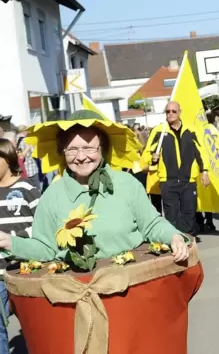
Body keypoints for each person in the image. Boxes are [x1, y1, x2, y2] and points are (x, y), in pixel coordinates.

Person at [0, 110, 189, 263]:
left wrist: (174, 236)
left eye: (89, 148)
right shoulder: (52, 196)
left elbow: (151, 224)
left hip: (132, 288)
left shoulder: (126, 183)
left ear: (103, 150)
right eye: (72, 149)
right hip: (78, 294)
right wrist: (11, 243)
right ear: (62, 152)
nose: (81, 156)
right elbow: (46, 248)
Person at [0, 138, 40, 354]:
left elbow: (42, 226)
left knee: (37, 326)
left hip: (27, 271)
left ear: (7, 158)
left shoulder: (27, 187)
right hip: (0, 273)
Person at [146, 102, 210, 235]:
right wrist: (153, 158)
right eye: (167, 111)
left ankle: (188, 241)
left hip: (188, 179)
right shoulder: (158, 131)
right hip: (168, 180)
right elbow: (146, 154)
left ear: (180, 112)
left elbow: (201, 152)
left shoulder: (191, 130)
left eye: (173, 111)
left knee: (189, 213)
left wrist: (205, 171)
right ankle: (177, 242)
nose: (170, 114)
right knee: (172, 215)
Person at [15, 125, 41, 190]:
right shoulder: (27, 140)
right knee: (36, 190)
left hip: (21, 170)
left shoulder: (15, 140)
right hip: (31, 169)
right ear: (24, 131)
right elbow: (35, 153)